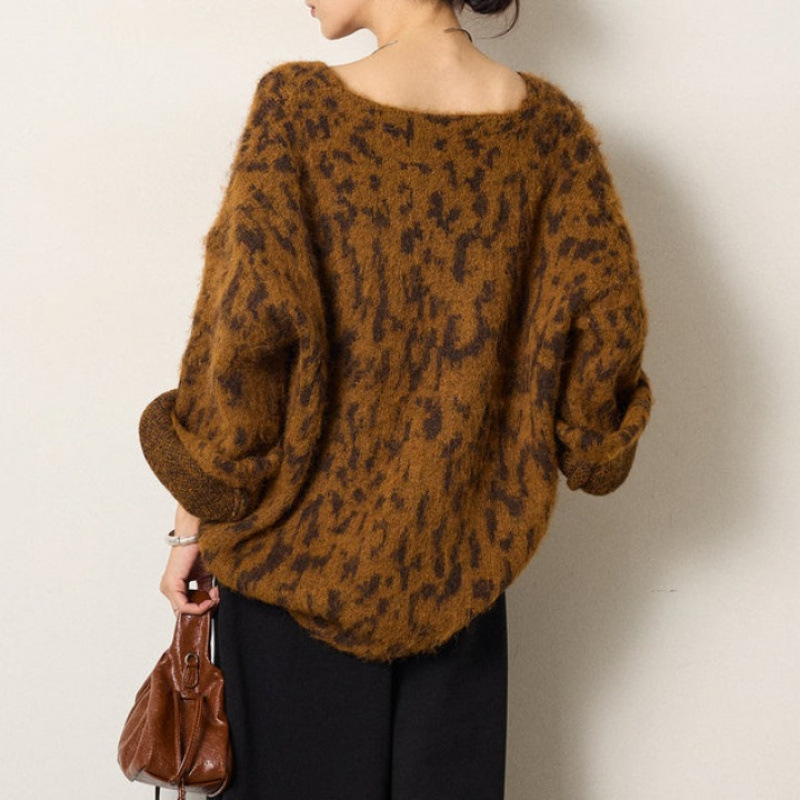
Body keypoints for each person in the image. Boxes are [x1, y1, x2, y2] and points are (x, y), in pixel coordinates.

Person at [138, 0, 654, 796]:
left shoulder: (299, 113)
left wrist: (191, 523)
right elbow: (606, 343)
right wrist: (591, 442)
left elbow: (240, 344)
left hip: (290, 575)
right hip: (462, 580)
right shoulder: (551, 136)